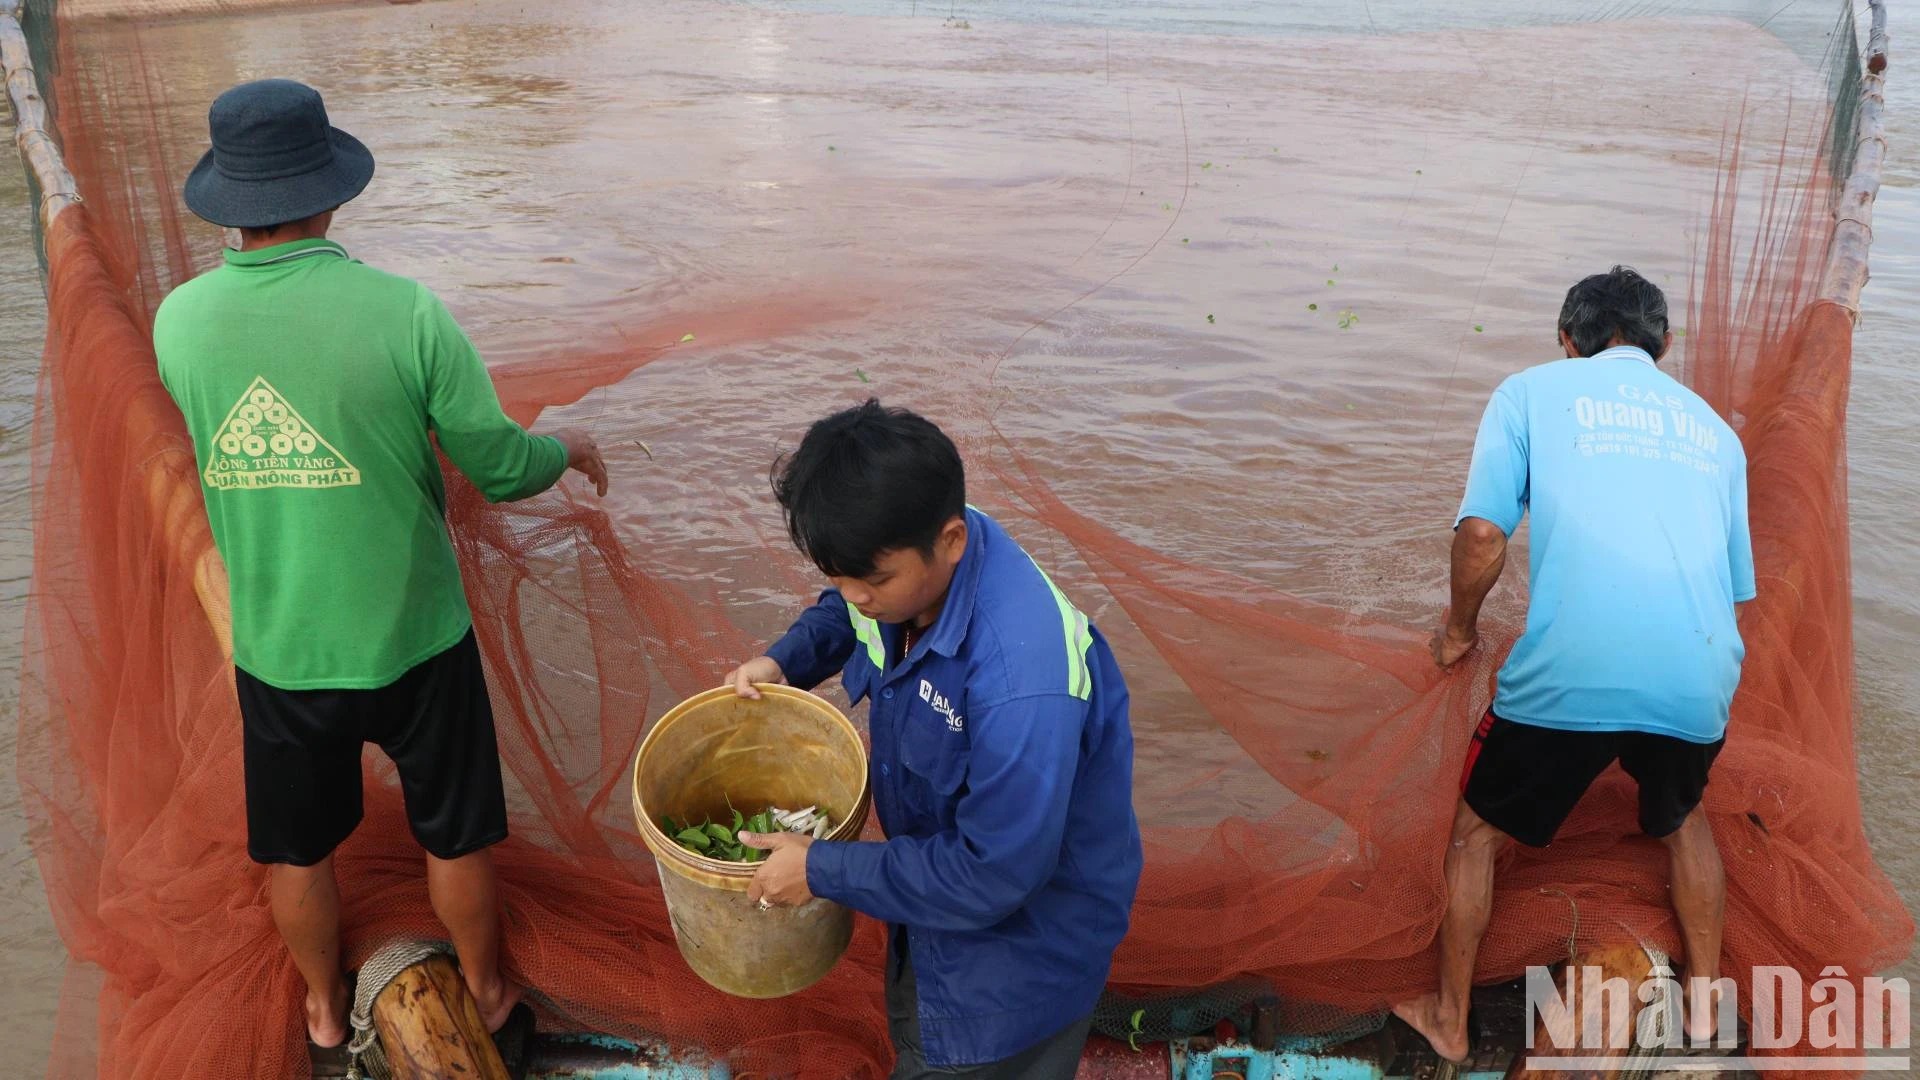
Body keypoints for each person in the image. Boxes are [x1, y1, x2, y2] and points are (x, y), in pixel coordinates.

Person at [153, 79, 607, 1048]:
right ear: (330, 192)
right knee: (456, 834)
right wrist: (567, 447)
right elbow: (497, 463)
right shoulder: (406, 313)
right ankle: (485, 993)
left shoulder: (178, 323)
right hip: (415, 637)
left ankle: (323, 1015)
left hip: (280, 650)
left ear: (231, 200)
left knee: (298, 850)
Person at [1394, 266, 1754, 1061]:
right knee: (1686, 822)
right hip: (1697, 678)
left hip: (1569, 674)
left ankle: (1450, 1021)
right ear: (1666, 344)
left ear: (1568, 342)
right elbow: (1733, 595)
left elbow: (1483, 536)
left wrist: (1457, 631)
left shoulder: (1530, 393)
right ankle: (1699, 1010)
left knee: (1477, 836)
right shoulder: (1718, 434)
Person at [723, 400, 1142, 1079]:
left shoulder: (1022, 682)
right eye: (839, 577)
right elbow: (849, 611)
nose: (856, 596)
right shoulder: (909, 572)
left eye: (873, 581)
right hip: (934, 906)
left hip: (1016, 961)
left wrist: (821, 868)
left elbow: (992, 873)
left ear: (949, 541)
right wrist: (785, 661)